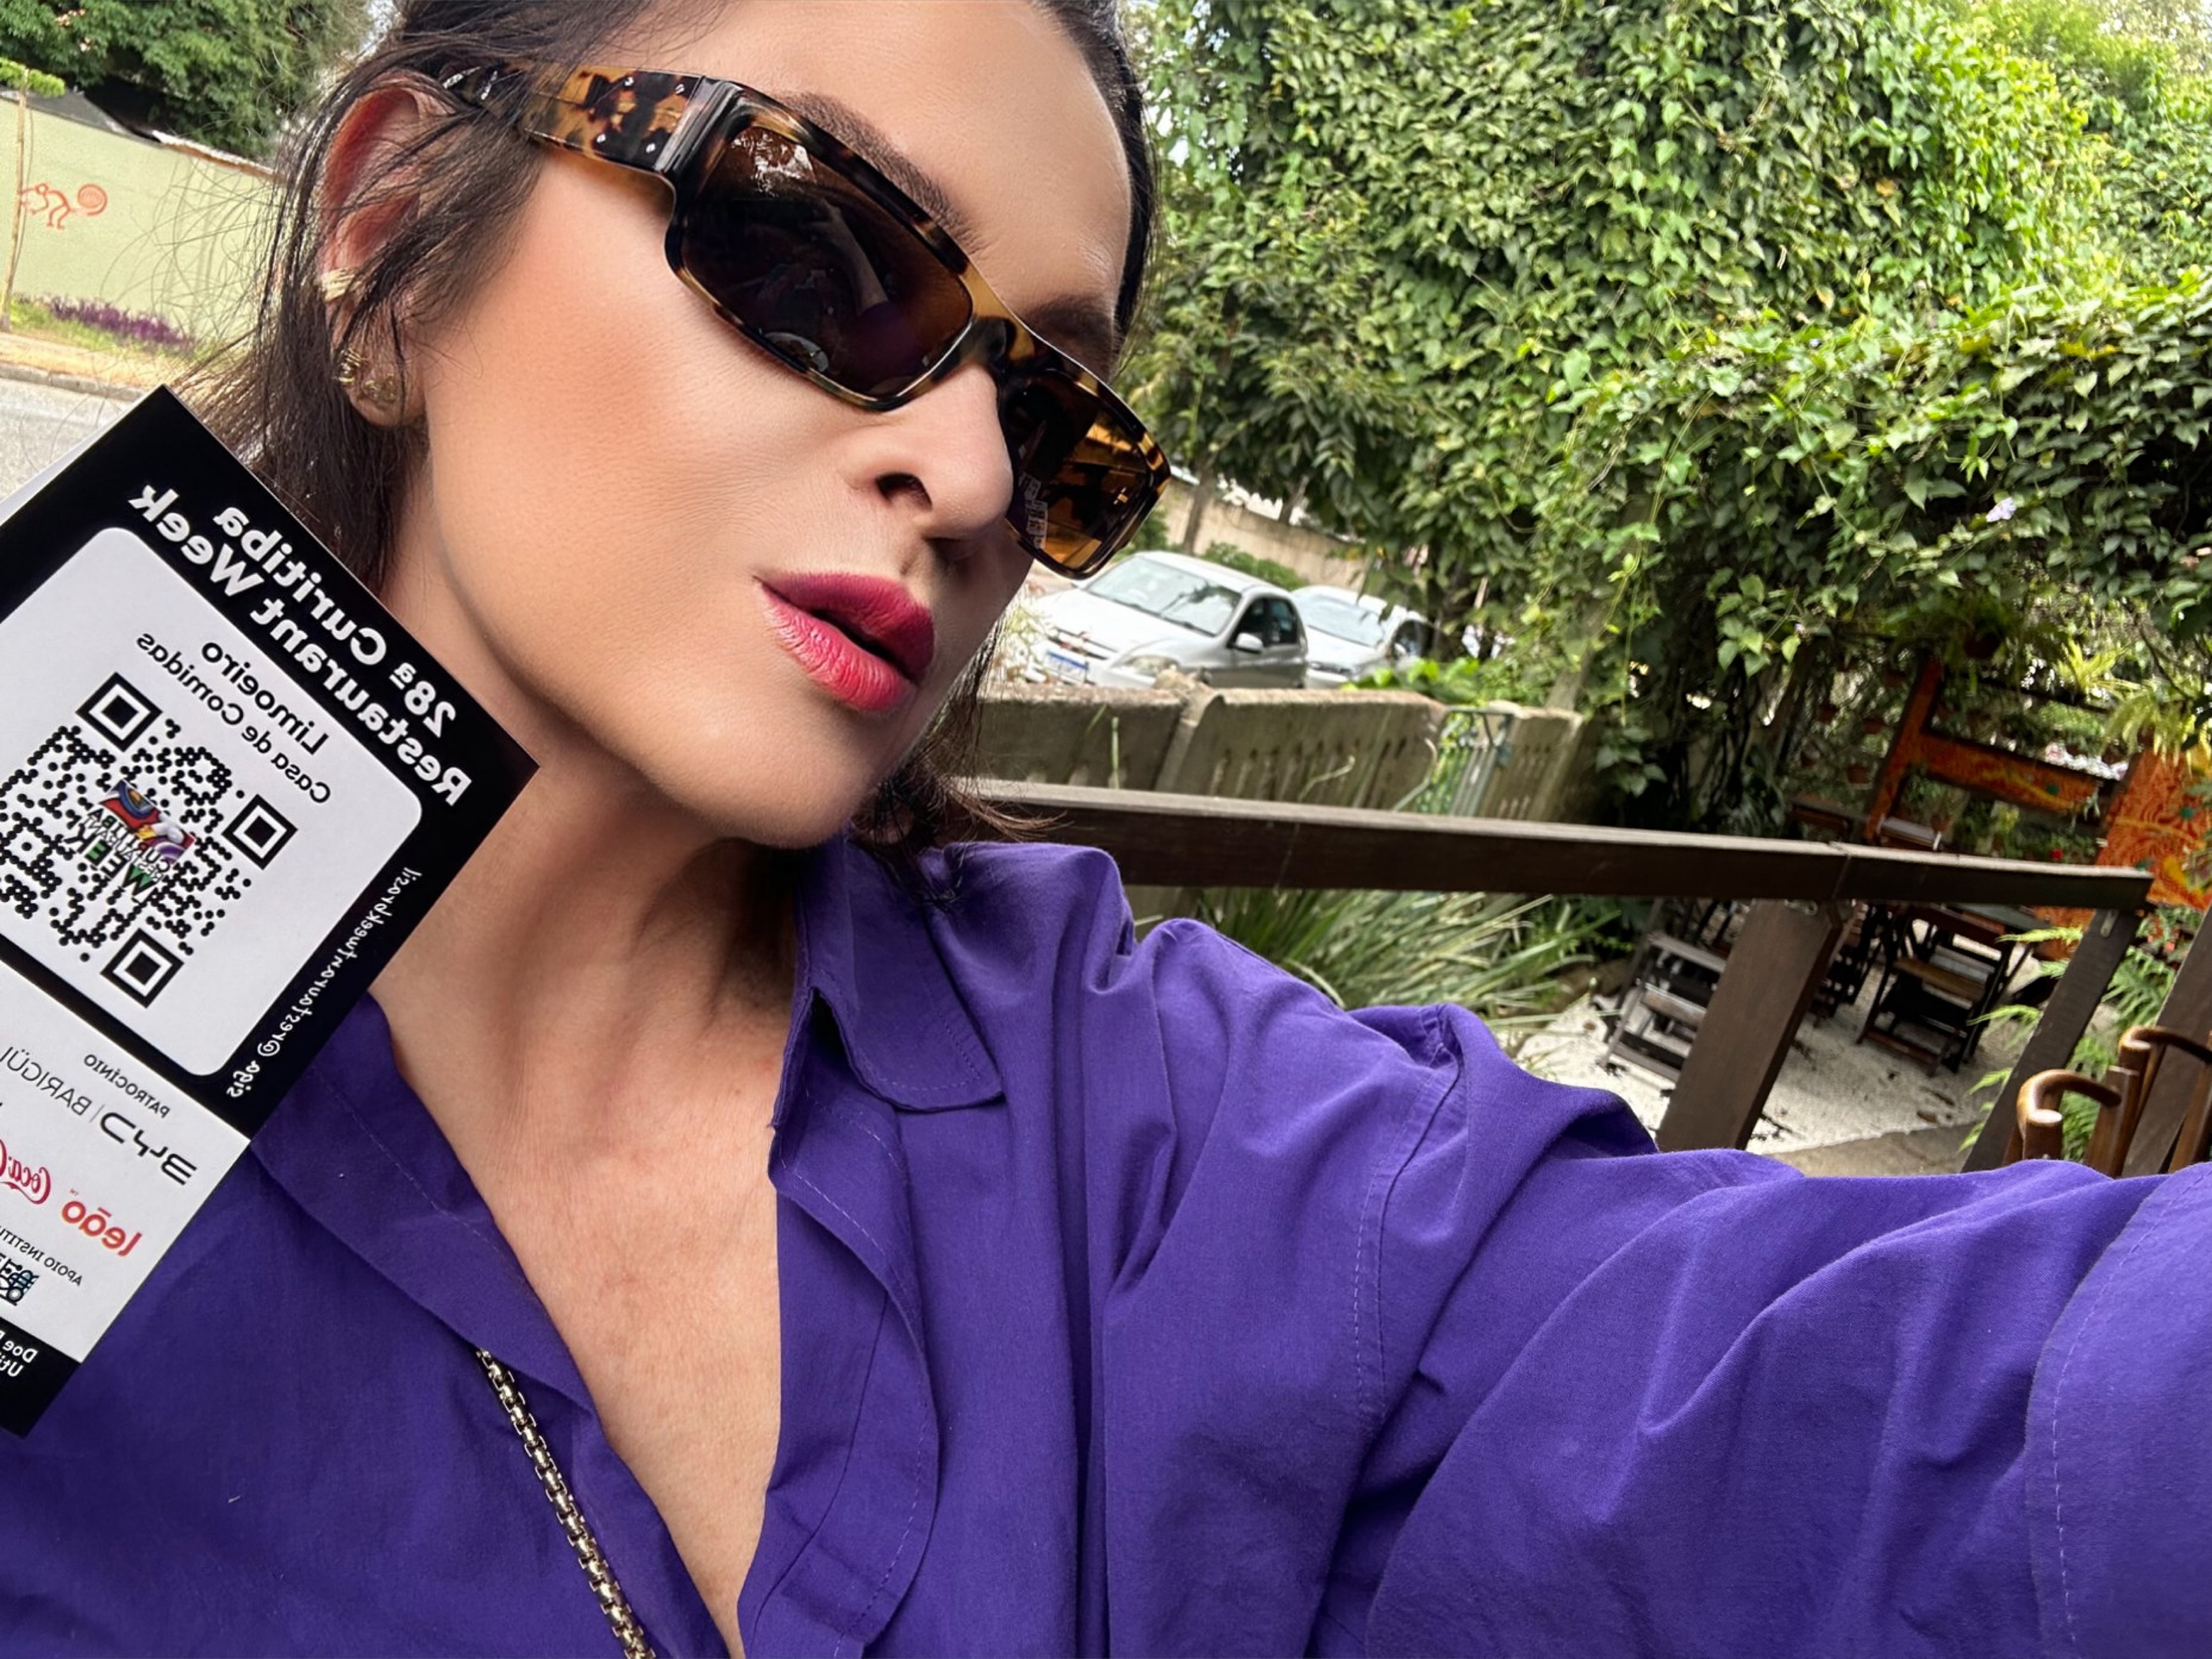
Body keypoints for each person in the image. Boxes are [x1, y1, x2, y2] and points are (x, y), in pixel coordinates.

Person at [3, 2, 2208, 1654]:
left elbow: (1896, 1416)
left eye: (1055, 419)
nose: (970, 479)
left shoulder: (1163, 1121)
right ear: (392, 227)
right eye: (820, 248)